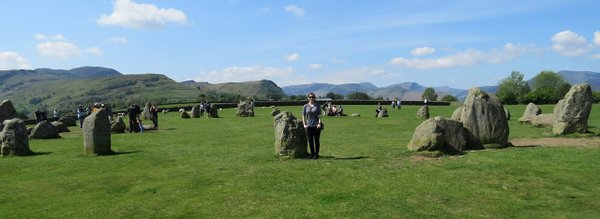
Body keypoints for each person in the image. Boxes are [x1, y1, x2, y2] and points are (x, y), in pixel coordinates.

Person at [302, 92, 322, 160]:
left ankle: (316, 154)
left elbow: (319, 115)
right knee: (310, 141)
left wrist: (319, 123)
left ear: (314, 98)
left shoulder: (317, 105)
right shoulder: (305, 106)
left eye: (313, 97)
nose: (311, 98)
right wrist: (304, 124)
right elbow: (303, 115)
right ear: (308, 98)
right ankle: (312, 154)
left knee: (316, 140)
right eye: (310, 97)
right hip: (309, 126)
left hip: (316, 126)